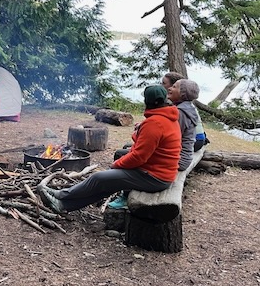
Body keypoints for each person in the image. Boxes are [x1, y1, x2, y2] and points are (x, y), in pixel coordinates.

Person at [37, 85, 181, 213]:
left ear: (147, 101)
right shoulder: (166, 117)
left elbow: (139, 156)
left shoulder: (155, 123)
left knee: (99, 178)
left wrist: (116, 165)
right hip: (157, 172)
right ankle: (63, 205)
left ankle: (61, 195)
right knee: (108, 184)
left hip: (155, 177)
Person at [162, 72, 207, 151]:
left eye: (164, 83)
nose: (161, 86)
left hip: (194, 141)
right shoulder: (186, 105)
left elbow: (175, 134)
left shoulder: (181, 110)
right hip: (197, 138)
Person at [167, 78, 200, 170]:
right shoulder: (187, 108)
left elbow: (171, 138)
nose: (169, 88)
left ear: (183, 93)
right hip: (182, 156)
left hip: (179, 159)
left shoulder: (181, 112)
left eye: (174, 87)